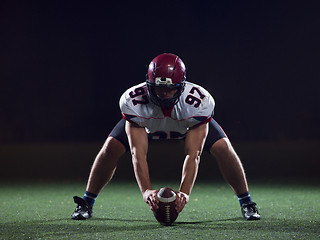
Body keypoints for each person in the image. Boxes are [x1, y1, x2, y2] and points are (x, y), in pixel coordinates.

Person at [71, 53, 260, 221]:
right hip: (148, 124)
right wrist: (146, 191)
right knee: (111, 148)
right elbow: (138, 154)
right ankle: (87, 202)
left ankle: (247, 202)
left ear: (182, 85)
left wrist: (184, 193)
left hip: (185, 124)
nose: (164, 94)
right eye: (159, 88)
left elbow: (193, 154)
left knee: (223, 148)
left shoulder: (197, 103)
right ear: (149, 84)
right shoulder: (134, 102)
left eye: (170, 89)